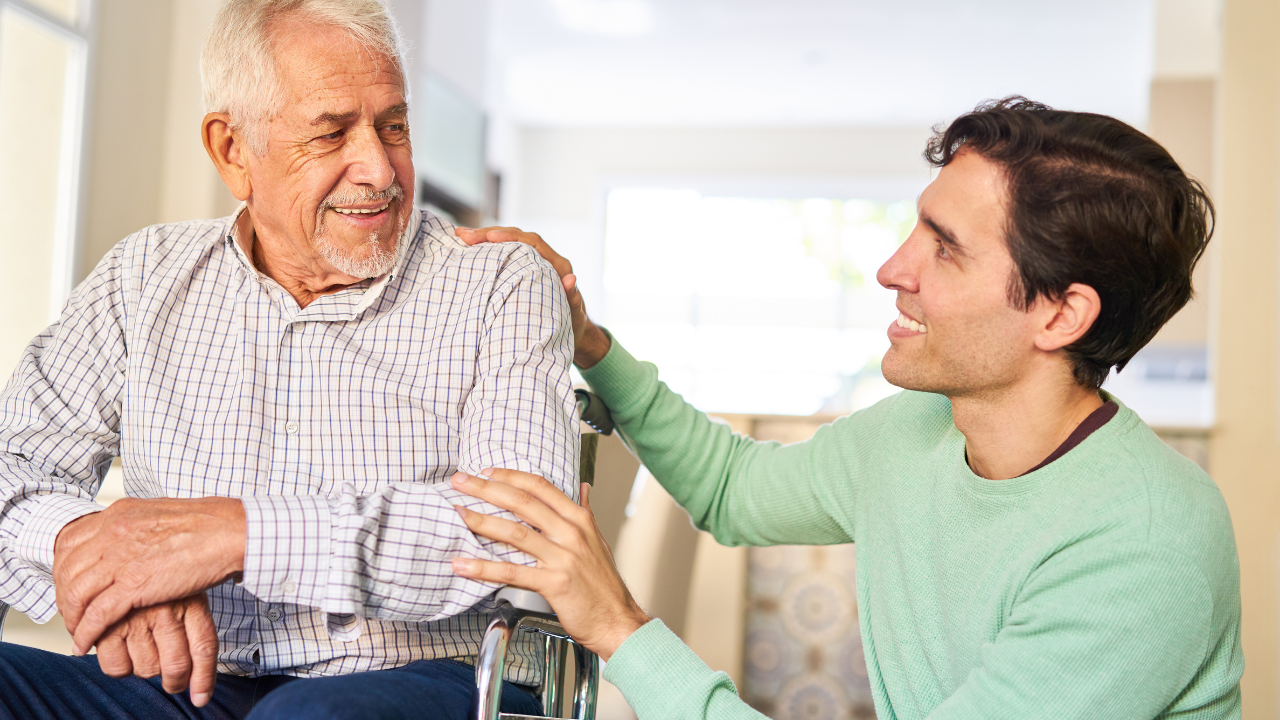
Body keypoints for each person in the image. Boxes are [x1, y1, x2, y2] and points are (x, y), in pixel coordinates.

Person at [449, 98, 1244, 719]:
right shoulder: (917, 432)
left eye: (946, 248)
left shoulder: (1142, 545)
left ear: (1060, 316)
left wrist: (618, 626)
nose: (892, 268)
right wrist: (591, 343)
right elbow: (732, 489)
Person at [0, 1, 578, 718]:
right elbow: (12, 468)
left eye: (392, 126)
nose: (378, 166)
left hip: (412, 675)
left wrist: (234, 533)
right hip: (177, 683)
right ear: (232, 151)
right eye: (331, 133)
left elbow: (517, 531)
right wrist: (92, 550)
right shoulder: (142, 276)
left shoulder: (501, 281)